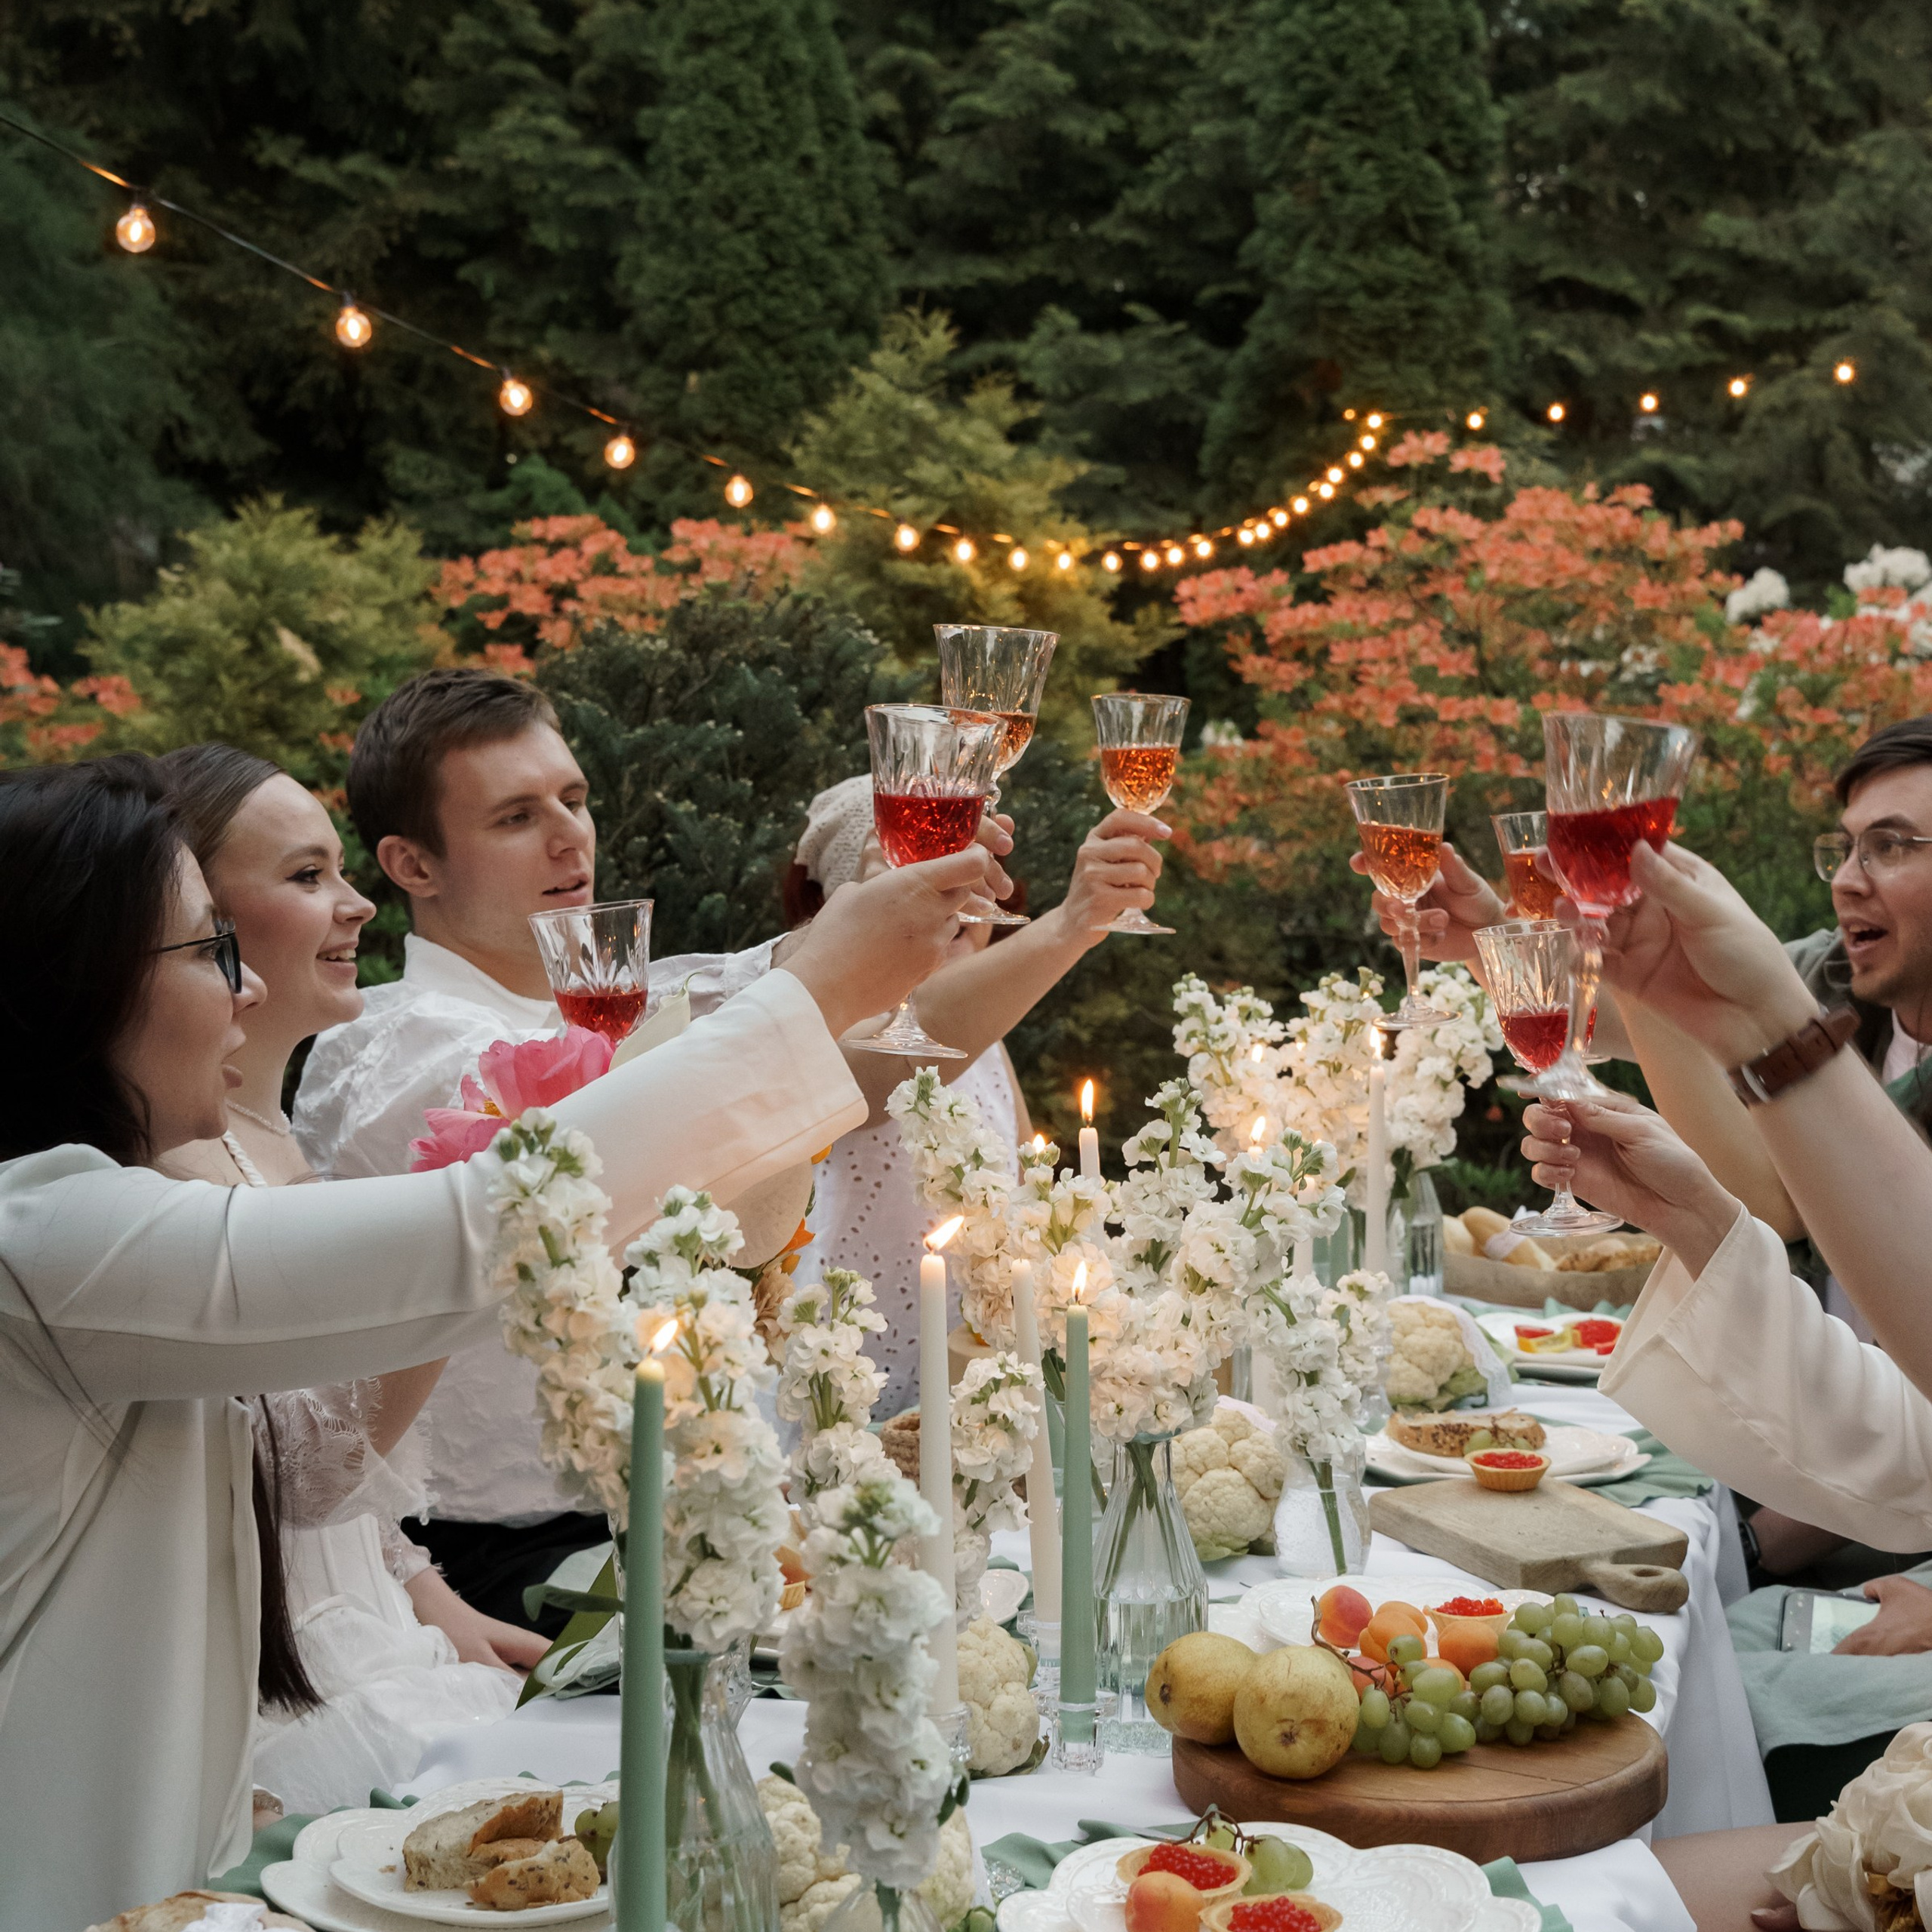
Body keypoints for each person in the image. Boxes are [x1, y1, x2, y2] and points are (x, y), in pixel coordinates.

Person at [0, 754, 993, 1930]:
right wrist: (815, 993)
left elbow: (452, 1282)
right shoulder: (43, 1241)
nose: (247, 990)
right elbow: (482, 1235)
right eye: (211, 949)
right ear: (75, 981)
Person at [291, 667, 1014, 1629]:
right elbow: (650, 1086)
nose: (569, 835)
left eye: (575, 798)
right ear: (412, 865)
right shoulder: (394, 1047)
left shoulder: (605, 1005)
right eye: (515, 817)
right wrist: (834, 954)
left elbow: (724, 1008)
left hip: (677, 1521)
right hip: (503, 1571)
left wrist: (904, 896)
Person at [154, 743, 544, 1810]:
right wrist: (482, 1245)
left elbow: (338, 1502)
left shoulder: (273, 1141)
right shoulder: (171, 1170)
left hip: (385, 1637)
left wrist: (427, 1597)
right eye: (307, 876)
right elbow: (292, 1473)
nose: (358, 907)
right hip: (290, 1701)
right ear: (190, 915)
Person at [792, 774, 1168, 1412]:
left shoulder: (989, 1043)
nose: (949, 899)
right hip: (860, 1427)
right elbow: (915, 1037)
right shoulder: (820, 1037)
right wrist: (1072, 924)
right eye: (907, 875)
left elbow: (1035, 1215)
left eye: (967, 872)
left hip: (986, 1415)